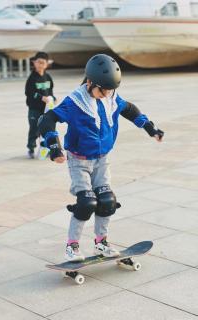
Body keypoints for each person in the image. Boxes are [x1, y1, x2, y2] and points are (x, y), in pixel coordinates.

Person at [38, 54, 164, 262]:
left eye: (109, 91)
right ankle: (72, 245)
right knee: (87, 202)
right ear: (89, 82)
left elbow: (130, 110)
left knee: (107, 201)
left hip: (102, 158)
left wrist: (150, 128)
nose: (106, 95)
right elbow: (48, 119)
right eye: (102, 91)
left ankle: (101, 243)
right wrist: (54, 147)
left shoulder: (111, 97)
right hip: (79, 160)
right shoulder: (75, 102)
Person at [25, 51, 56, 159]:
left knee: (46, 130)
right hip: (34, 109)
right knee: (34, 129)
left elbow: (50, 91)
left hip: (46, 109)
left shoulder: (48, 77)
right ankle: (31, 148)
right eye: (38, 62)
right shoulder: (32, 78)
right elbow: (29, 93)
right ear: (34, 63)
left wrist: (54, 98)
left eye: (43, 63)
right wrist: (41, 97)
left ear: (47, 64)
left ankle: (45, 149)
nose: (40, 65)